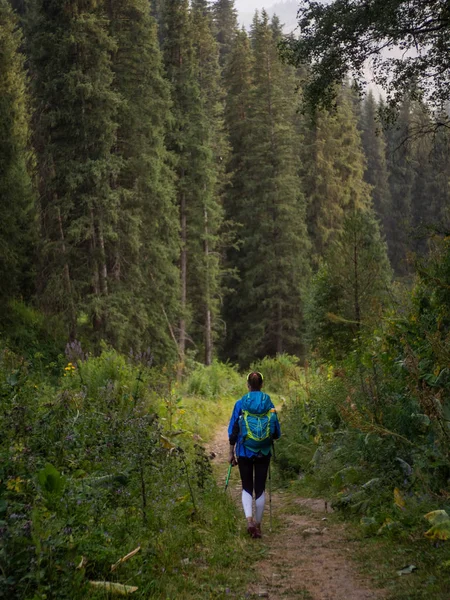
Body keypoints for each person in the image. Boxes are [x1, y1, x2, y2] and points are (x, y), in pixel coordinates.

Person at [228, 371, 281, 538]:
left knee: (246, 486)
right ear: (262, 385)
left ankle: (249, 520)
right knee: (260, 488)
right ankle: (258, 526)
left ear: (248, 385)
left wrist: (231, 453)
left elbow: (233, 431)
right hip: (263, 451)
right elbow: (277, 432)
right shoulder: (268, 402)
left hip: (244, 450)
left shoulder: (240, 403)